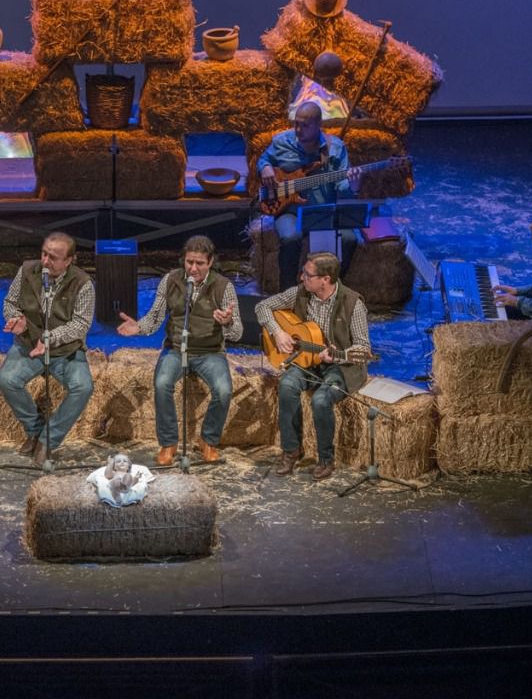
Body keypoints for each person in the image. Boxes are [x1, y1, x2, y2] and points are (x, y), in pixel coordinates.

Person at [116, 235, 241, 465]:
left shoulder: (224, 286)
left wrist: (227, 323)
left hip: (210, 351)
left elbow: (238, 333)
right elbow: (154, 317)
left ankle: (209, 440)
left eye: (199, 263)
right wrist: (139, 328)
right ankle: (168, 443)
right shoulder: (171, 280)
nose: (193, 268)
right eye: (189, 262)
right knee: (162, 383)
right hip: (176, 348)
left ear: (210, 262)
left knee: (223, 390)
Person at [255, 251, 371, 481]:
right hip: (308, 361)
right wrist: (277, 332)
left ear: (325, 280)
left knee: (320, 400)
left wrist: (336, 357)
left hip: (342, 366)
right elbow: (262, 307)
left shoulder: (352, 303)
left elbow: (363, 349)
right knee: (287, 384)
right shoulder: (300, 293)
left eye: (308, 275)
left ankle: (326, 459)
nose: (301, 278)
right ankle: (291, 450)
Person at [0, 232, 95, 467]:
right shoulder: (26, 271)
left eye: (53, 257)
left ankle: (47, 440)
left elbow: (81, 325)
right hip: (29, 344)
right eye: (44, 253)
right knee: (6, 379)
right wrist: (16, 319)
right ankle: (35, 429)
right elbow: (10, 303)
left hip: (65, 350)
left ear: (69, 260)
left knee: (83, 387)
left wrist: (51, 339)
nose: (45, 261)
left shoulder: (83, 284)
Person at [256, 101, 364, 291]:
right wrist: (265, 168)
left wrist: (353, 185)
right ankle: (287, 293)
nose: (298, 129)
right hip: (290, 210)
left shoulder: (336, 148)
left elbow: (342, 187)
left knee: (349, 239)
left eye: (305, 125)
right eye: (296, 123)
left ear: (318, 125)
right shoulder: (281, 141)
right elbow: (264, 159)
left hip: (323, 212)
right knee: (290, 238)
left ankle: (329, 290)